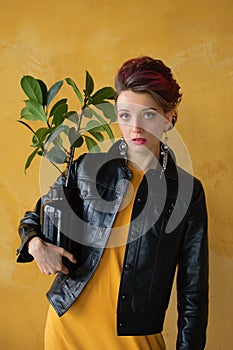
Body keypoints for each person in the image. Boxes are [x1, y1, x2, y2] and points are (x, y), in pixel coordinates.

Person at [17, 56, 208, 349]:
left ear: (170, 117)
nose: (135, 128)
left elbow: (193, 291)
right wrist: (36, 245)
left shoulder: (187, 192)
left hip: (135, 338)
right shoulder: (86, 169)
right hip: (69, 327)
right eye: (125, 115)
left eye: (149, 115)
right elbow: (34, 218)